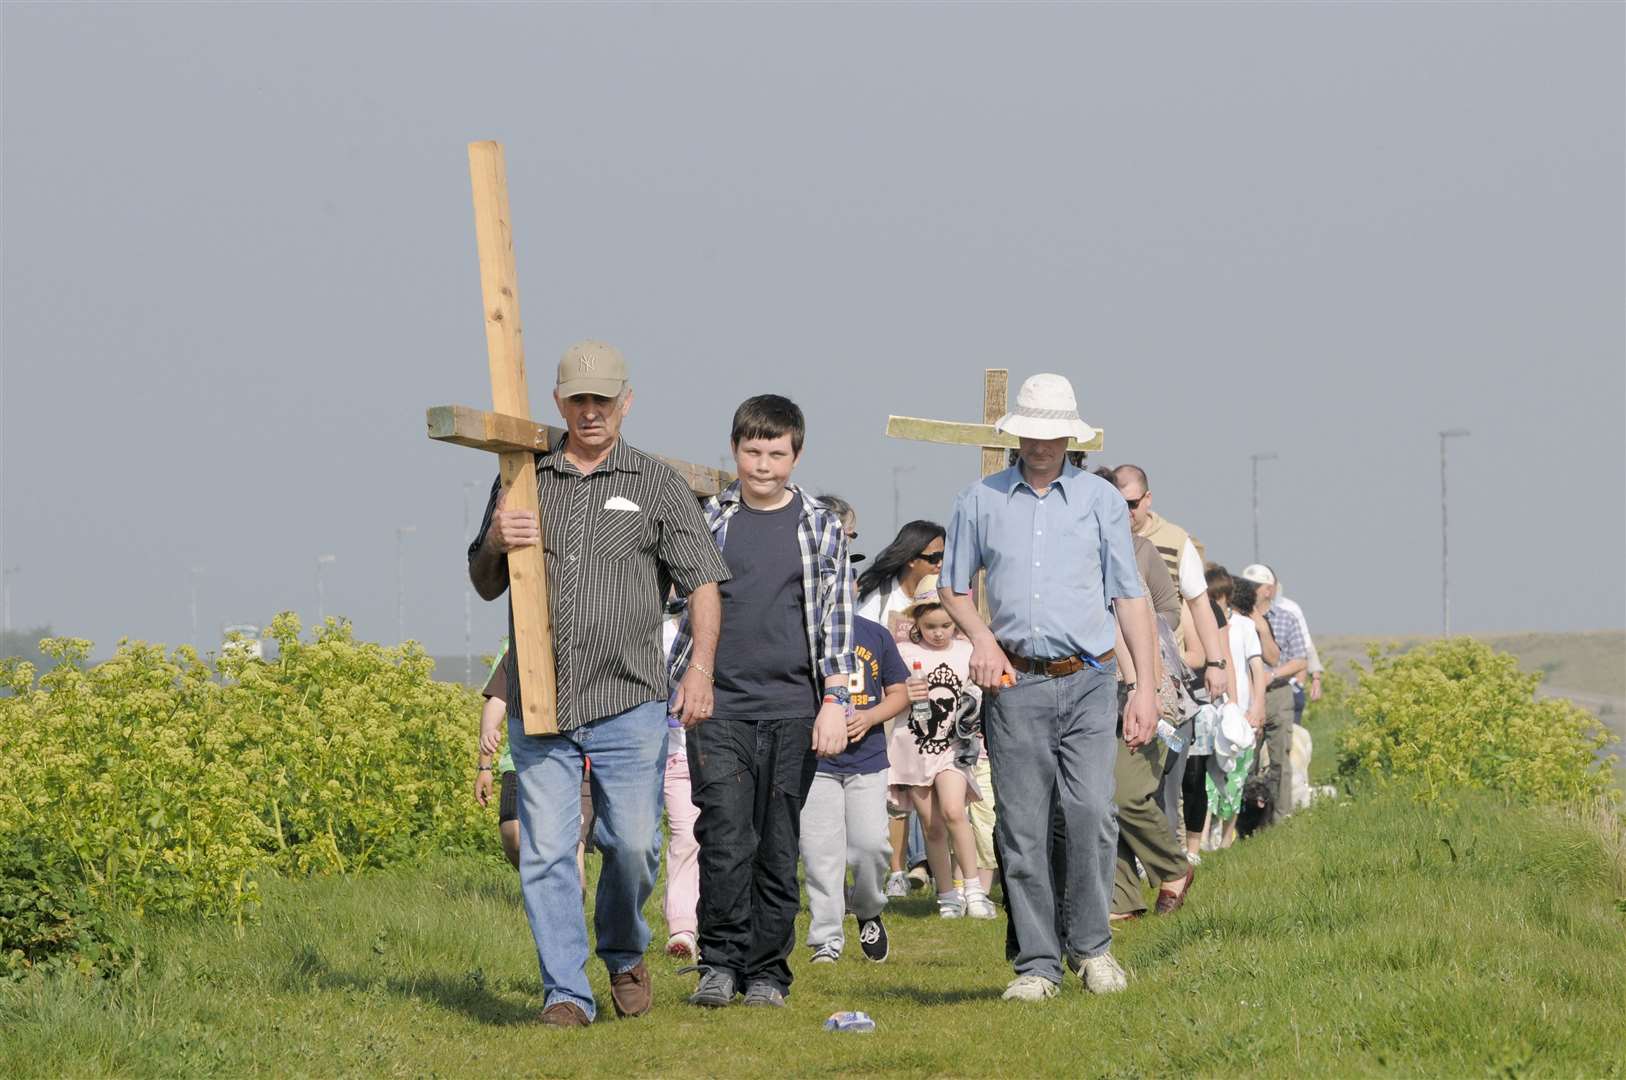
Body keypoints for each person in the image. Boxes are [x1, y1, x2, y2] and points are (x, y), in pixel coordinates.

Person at [468, 341, 730, 1029]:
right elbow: (484, 578)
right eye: (578, 399)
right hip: (541, 697)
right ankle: (565, 992)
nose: (590, 412)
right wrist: (496, 539)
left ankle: (621, 949)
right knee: (548, 849)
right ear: (560, 402)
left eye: (603, 400)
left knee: (636, 842)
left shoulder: (656, 483)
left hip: (629, 698)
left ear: (626, 402)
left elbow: (702, 579)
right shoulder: (523, 476)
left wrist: (699, 668)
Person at [937, 373, 1160, 1002]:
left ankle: (1093, 949)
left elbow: (1130, 596)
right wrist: (981, 638)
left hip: (1090, 677)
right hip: (1016, 682)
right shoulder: (978, 500)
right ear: (1018, 436)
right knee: (1023, 826)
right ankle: (1037, 963)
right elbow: (953, 587)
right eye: (1031, 433)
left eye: (1052, 433)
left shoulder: (1100, 500)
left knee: (1091, 811)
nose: (1041, 444)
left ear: (1070, 435)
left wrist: (1143, 688)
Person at [668, 394, 856, 1010]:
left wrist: (836, 699)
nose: (764, 464)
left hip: (794, 706)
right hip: (717, 703)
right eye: (753, 451)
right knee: (724, 837)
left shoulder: (822, 524)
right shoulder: (708, 520)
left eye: (777, 453)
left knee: (776, 844)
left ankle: (769, 971)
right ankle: (718, 963)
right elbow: (675, 599)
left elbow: (837, 618)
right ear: (735, 450)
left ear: (795, 455)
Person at [801, 497, 911, 962]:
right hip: (817, 765)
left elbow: (901, 692)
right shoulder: (802, 635)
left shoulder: (874, 634)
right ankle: (826, 937)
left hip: (867, 760)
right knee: (820, 855)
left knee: (870, 847)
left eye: (847, 577)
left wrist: (869, 717)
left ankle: (867, 910)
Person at [856, 521, 946, 897]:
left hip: (929, 703)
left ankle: (933, 865)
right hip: (886, 705)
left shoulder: (941, 595)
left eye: (944, 556)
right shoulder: (876, 598)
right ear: (911, 560)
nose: (941, 564)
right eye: (933, 557)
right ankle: (893, 870)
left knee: (927, 787)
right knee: (891, 790)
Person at [893, 581, 992, 919]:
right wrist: (905, 690)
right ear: (917, 622)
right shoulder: (904, 654)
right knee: (931, 823)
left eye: (945, 625)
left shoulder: (966, 651)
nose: (938, 633)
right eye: (930, 626)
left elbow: (979, 692)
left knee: (953, 811)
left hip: (954, 745)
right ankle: (947, 895)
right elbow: (890, 694)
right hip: (914, 747)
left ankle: (974, 889)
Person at [476, 641, 594, 886]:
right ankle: (545, 890)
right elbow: (497, 699)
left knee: (572, 849)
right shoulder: (515, 643)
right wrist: (484, 765)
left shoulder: (589, 637)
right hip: (522, 760)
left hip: (580, 761)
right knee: (513, 835)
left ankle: (568, 912)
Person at [1241, 564, 1307, 825]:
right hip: (1248, 694)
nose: (1247, 590)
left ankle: (1280, 818)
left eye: (1253, 586)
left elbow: (1299, 660)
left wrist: (1272, 674)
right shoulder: (1236, 618)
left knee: (1280, 757)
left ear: (1268, 590)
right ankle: (1245, 821)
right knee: (1248, 757)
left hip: (1277, 693)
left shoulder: (1286, 618)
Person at [1208, 570, 1268, 850]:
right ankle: (1206, 836)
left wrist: (1258, 704)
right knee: (1210, 778)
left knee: (1237, 776)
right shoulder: (1205, 623)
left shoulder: (1244, 626)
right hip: (1214, 710)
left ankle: (1226, 840)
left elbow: (1256, 667)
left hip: (1242, 711)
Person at [660, 596, 700, 961]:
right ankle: (680, 927)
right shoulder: (652, 631)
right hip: (664, 751)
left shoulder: (708, 632)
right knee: (682, 837)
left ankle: (691, 925)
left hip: (704, 750)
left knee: (698, 838)